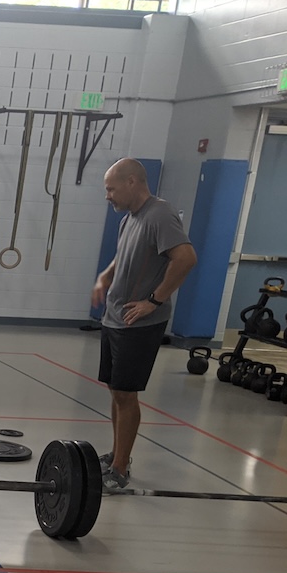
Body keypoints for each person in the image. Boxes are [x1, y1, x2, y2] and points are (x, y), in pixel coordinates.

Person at [91, 158, 197, 493]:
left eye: (111, 188)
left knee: (126, 393)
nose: (108, 195)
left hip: (139, 323)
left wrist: (154, 299)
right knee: (115, 389)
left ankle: (120, 469)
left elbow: (186, 258)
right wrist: (105, 276)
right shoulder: (131, 218)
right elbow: (123, 255)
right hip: (116, 318)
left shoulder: (160, 214)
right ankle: (116, 454)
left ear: (132, 182)